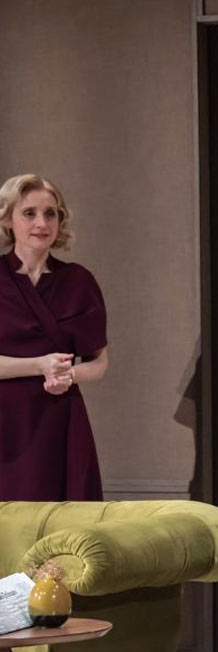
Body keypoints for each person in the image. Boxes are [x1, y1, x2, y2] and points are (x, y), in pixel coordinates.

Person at [0, 174, 108, 501]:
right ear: (8, 219)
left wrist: (69, 375)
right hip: (6, 424)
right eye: (29, 213)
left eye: (51, 213)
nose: (42, 223)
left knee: (65, 532)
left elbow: (100, 364)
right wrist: (40, 365)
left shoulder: (78, 281)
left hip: (61, 419)